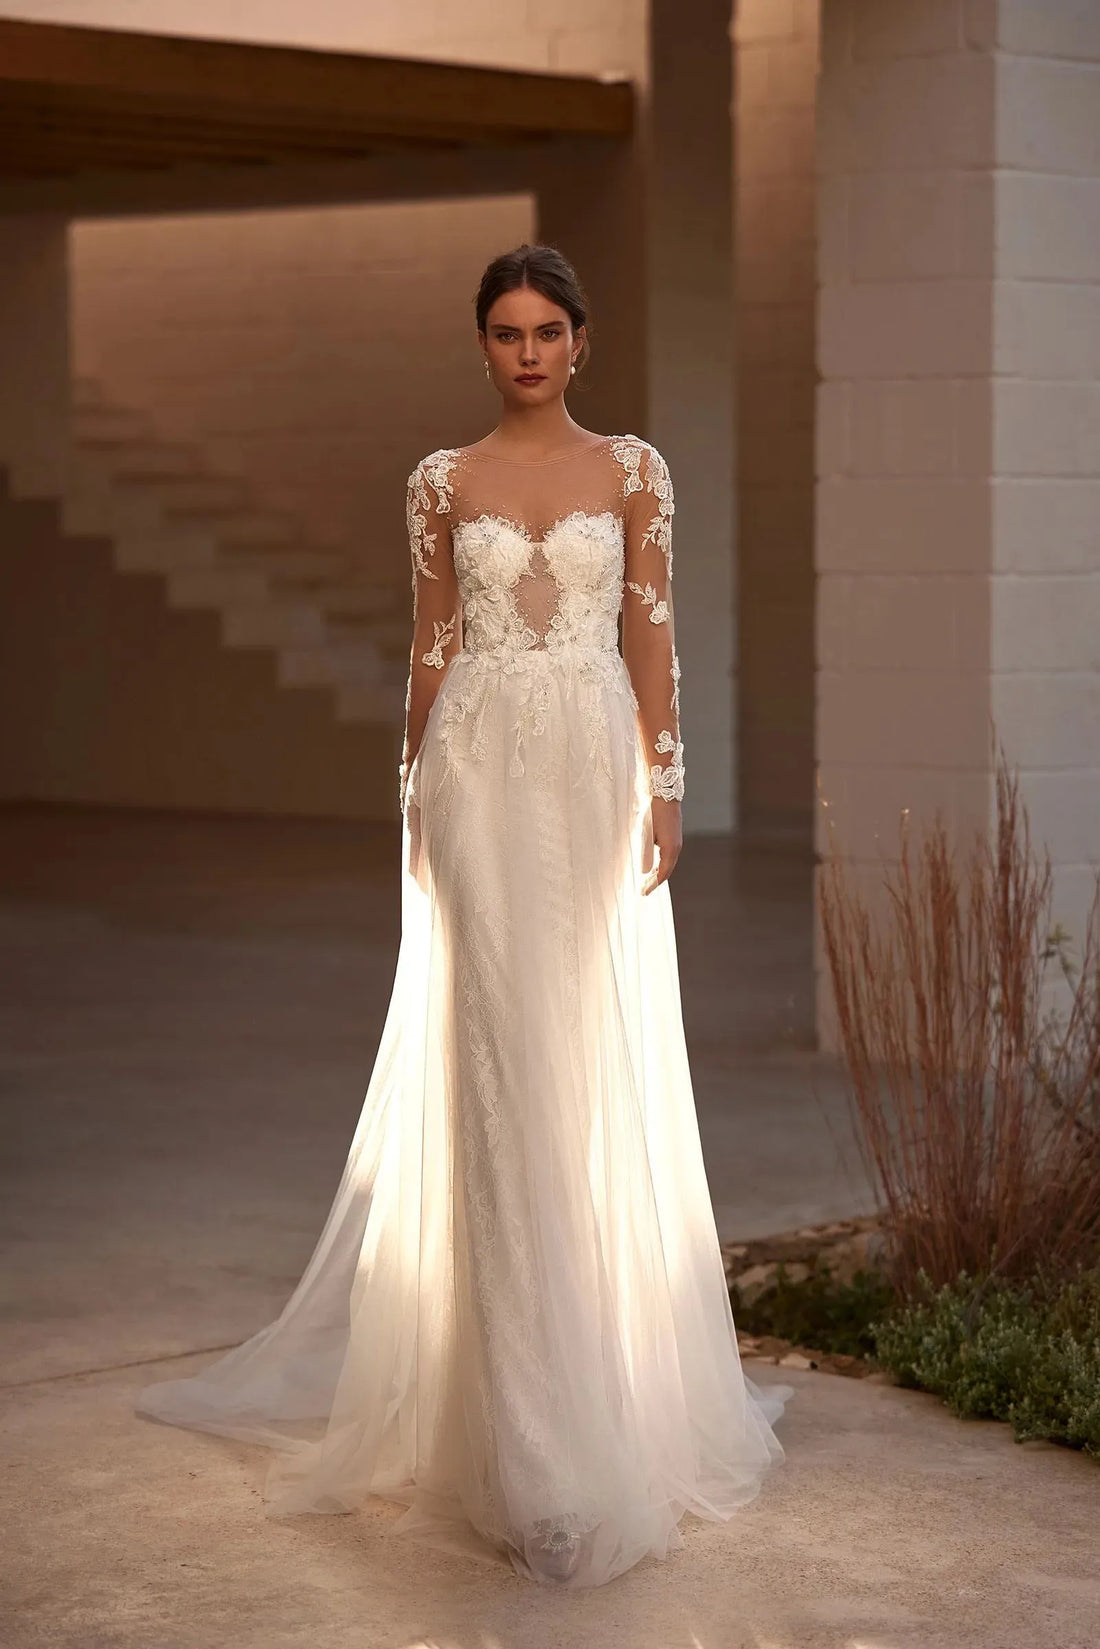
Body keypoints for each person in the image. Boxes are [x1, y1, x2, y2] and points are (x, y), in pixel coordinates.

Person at [137, 242, 789, 1589]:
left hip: (592, 766)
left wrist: (667, 786)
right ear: (482, 344)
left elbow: (652, 635)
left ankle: (601, 1397)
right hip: (477, 770)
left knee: (576, 1062)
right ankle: (532, 1454)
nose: (529, 352)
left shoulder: (637, 471)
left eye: (549, 330)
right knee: (497, 1069)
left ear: (582, 340)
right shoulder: (441, 480)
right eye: (506, 332)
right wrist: (413, 799)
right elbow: (432, 643)